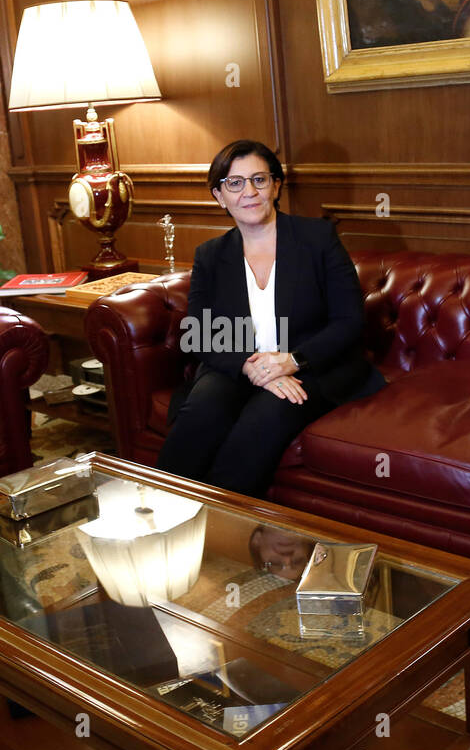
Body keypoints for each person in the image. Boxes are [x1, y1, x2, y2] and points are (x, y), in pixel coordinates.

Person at [157, 140, 383, 498]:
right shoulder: (211, 255)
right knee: (204, 408)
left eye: (259, 180)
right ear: (219, 196)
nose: (249, 192)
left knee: (267, 415)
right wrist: (252, 368)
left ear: (276, 186)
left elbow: (349, 320)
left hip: (312, 367)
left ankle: (220, 528)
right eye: (235, 183)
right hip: (240, 365)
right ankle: (156, 512)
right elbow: (200, 334)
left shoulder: (317, 238)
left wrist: (291, 361)